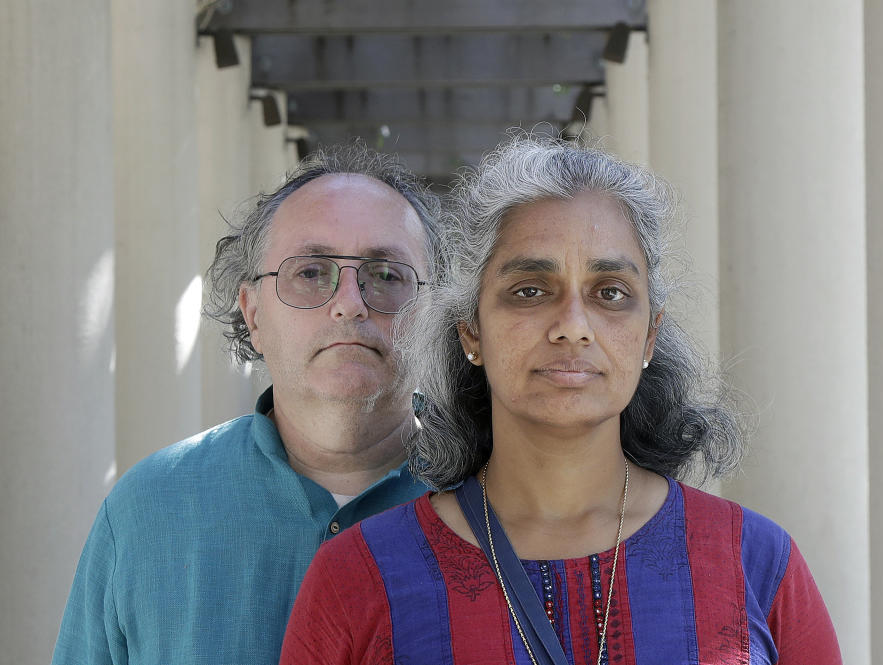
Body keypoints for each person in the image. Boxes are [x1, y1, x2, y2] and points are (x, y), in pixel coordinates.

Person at [279, 137, 843, 665]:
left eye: (611, 294)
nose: (573, 326)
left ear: (650, 335)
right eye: (530, 291)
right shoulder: (359, 576)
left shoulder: (755, 563)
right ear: (471, 330)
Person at [52, 143, 440, 665]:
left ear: (437, 314)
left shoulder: (507, 508)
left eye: (387, 275)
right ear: (252, 314)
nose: (349, 303)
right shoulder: (145, 512)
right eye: (310, 272)